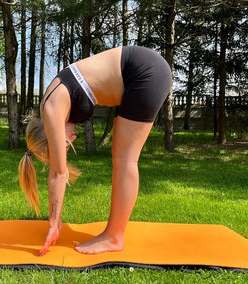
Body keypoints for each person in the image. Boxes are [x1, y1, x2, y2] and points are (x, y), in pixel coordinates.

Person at [18, 46, 172, 256]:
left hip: (144, 70)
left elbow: (58, 173)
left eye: (64, 144)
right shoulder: (52, 105)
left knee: (124, 159)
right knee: (120, 158)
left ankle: (114, 237)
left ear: (49, 135)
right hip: (134, 76)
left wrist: (54, 221)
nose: (72, 140)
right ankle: (113, 234)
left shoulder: (51, 109)